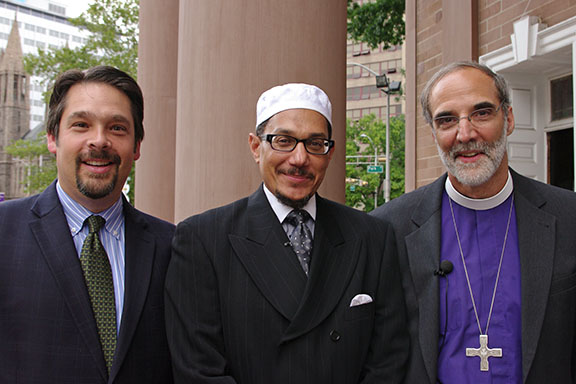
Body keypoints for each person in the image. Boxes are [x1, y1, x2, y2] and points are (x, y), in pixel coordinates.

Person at [165, 83, 409, 383]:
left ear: (329, 153)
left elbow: (389, 360)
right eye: (284, 141)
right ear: (257, 147)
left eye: (315, 144)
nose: (299, 159)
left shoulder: (373, 237)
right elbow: (198, 371)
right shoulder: (202, 239)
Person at [372, 61, 576, 383]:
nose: (464, 134)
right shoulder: (387, 229)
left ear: (508, 119)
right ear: (434, 131)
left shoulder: (569, 218)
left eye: (481, 113)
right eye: (447, 120)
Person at [0, 66, 174, 383]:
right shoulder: (4, 232)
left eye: (117, 128)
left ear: (136, 146)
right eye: (81, 125)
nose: (99, 141)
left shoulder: (172, 246)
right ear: (53, 137)